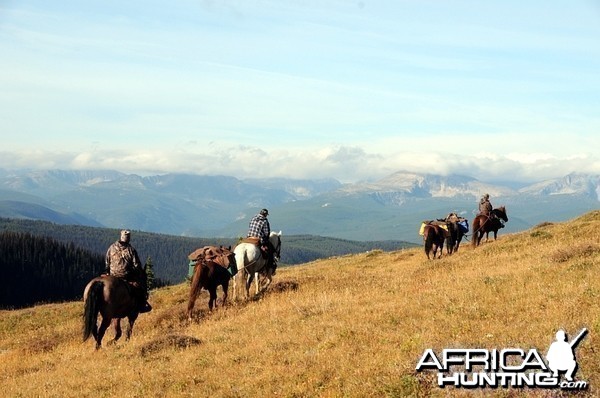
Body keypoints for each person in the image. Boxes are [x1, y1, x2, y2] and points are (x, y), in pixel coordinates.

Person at [105, 230, 152, 313]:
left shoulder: (111, 247)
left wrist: (108, 272)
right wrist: (139, 273)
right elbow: (137, 265)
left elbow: (107, 262)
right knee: (139, 287)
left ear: (121, 237)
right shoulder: (131, 250)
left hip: (112, 275)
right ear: (129, 238)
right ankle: (142, 305)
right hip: (126, 276)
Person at [247, 208, 277, 275]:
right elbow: (266, 232)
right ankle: (268, 267)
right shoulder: (264, 220)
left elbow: (250, 226)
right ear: (265, 214)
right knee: (270, 250)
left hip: (249, 237)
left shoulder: (253, 217)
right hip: (258, 238)